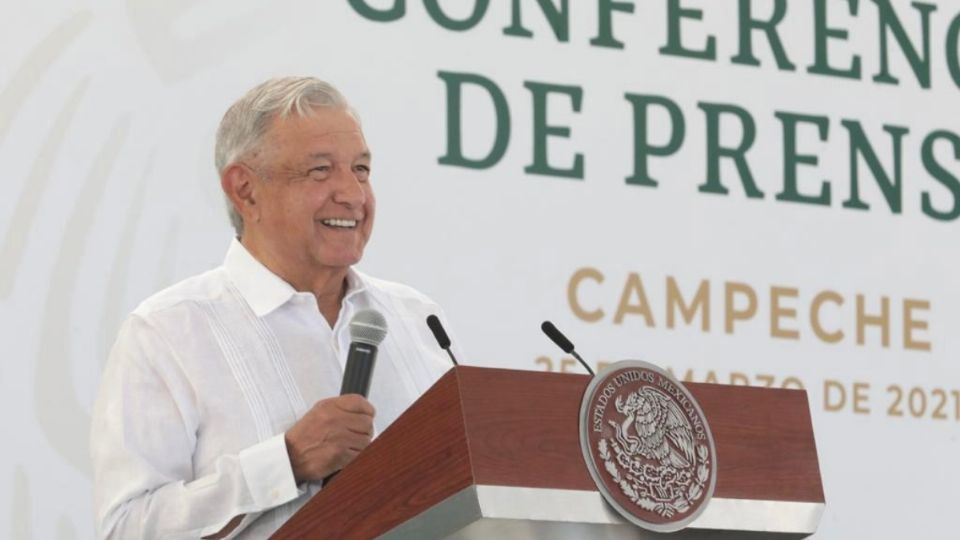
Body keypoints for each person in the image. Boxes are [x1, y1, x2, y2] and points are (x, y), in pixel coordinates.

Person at [90, 77, 461, 539]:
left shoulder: (416, 318)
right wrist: (284, 462)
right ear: (245, 190)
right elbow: (127, 528)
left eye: (361, 170)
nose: (353, 194)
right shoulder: (168, 332)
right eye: (320, 171)